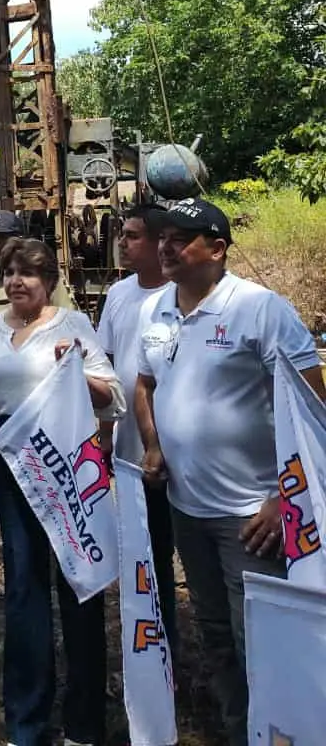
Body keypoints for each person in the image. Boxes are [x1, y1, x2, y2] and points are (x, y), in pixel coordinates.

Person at [134, 198, 325, 746]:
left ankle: (284, 734)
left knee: (262, 641)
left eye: (181, 237)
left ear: (217, 250)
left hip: (253, 515)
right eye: (162, 235)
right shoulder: (156, 310)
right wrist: (153, 446)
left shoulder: (260, 310)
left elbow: (312, 411)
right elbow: (144, 385)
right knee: (214, 632)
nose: (166, 246)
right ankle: (239, 730)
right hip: (187, 509)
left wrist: (283, 501)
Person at [0, 238, 125, 746]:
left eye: (28, 273)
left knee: (78, 589)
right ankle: (26, 723)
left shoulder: (72, 326)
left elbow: (113, 400)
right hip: (12, 468)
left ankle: (84, 725)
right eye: (10, 273)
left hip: (64, 470)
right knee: (23, 592)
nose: (18, 281)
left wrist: (80, 374)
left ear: (49, 282)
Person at [95, 205, 177, 658]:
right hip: (131, 451)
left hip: (180, 449)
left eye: (132, 236)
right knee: (147, 552)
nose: (122, 243)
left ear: (160, 240)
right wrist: (106, 436)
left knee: (177, 541)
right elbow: (106, 366)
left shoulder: (180, 295)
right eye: (121, 235)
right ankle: (154, 647)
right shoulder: (119, 294)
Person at [0, 210, 74, 381]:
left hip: (41, 374)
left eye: (0, 237)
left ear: (19, 241)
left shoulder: (44, 276)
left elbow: (69, 322)